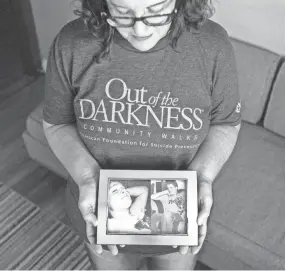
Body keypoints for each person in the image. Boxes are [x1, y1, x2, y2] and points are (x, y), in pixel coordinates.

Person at [42, 0, 242, 269]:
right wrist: (87, 177)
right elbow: (57, 123)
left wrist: (203, 177)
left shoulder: (213, 46)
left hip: (177, 220)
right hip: (101, 215)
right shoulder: (71, 44)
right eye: (121, 12)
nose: (140, 30)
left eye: (156, 10)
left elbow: (226, 123)